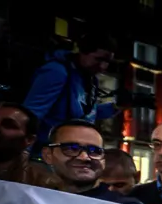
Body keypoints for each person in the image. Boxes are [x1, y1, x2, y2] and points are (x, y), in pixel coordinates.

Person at [23, 29, 119, 158]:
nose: (102, 66)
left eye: (107, 61)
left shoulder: (89, 79)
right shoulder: (57, 72)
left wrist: (117, 107)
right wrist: (23, 154)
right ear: (82, 51)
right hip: (45, 154)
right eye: (98, 59)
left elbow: (87, 113)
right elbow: (32, 114)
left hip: (68, 152)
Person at [40, 120, 144, 204]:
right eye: (72, 148)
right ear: (48, 155)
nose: (84, 157)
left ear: (103, 160)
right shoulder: (31, 203)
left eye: (94, 151)